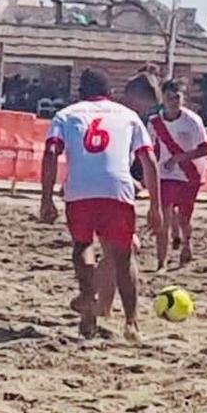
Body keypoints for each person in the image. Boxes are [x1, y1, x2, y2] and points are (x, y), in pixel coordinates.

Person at [39, 69, 162, 341]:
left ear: (80, 93)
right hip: (117, 189)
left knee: (83, 247)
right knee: (123, 257)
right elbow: (150, 162)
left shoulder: (67, 114)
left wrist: (46, 198)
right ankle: (132, 323)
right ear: (111, 93)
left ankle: (88, 302)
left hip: (80, 189)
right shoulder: (128, 116)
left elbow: (50, 152)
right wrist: (156, 207)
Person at [147, 79, 207, 271]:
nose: (174, 102)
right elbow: (150, 148)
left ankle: (186, 244)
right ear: (162, 99)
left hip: (190, 173)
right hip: (165, 174)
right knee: (164, 217)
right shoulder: (154, 122)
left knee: (183, 218)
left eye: (177, 98)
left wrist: (178, 158)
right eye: (169, 98)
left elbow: (204, 149)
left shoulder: (192, 121)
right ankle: (161, 262)